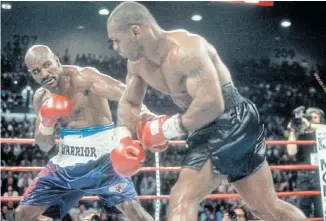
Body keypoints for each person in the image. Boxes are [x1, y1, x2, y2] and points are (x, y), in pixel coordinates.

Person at [107, 2, 308, 221]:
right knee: (266, 207)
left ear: (136, 30)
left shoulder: (188, 50)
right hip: (215, 123)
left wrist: (167, 129)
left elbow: (212, 103)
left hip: (226, 118)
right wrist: (123, 137)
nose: (115, 47)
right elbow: (129, 103)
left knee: (182, 199)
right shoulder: (136, 65)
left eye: (116, 40)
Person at [15, 45, 154, 221]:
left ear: (57, 60)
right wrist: (47, 123)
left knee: (134, 212)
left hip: (103, 161)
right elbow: (44, 145)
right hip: (65, 164)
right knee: (21, 214)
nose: (44, 74)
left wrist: (144, 114)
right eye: (36, 71)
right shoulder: (41, 97)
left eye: (46, 65)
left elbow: (124, 92)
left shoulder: (83, 78)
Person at [287, 107, 326, 217]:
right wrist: (293, 131)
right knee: (302, 210)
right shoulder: (301, 134)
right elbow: (291, 152)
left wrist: (309, 125)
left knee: (321, 210)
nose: (312, 119)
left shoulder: (323, 131)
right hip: (304, 175)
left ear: (320, 119)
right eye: (309, 117)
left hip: (322, 174)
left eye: (315, 117)